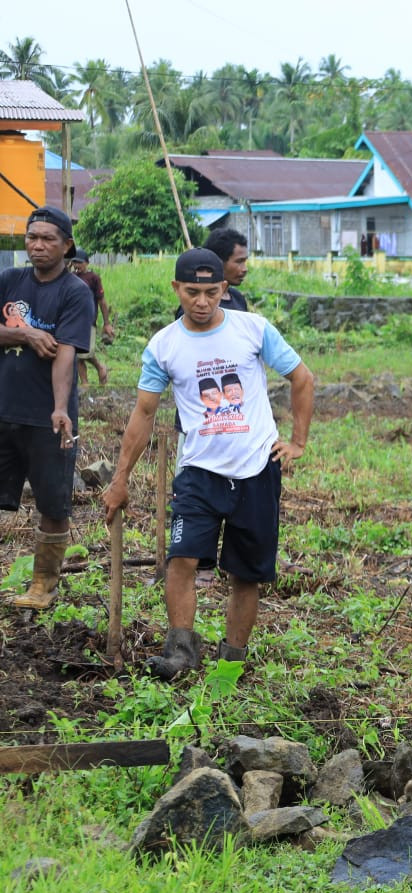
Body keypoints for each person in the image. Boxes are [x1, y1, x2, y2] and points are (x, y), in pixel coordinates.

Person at [103, 248, 316, 676]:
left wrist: (297, 441)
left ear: (225, 288)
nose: (202, 302)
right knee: (181, 560)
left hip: (256, 469)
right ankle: (181, 651)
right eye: (192, 292)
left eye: (212, 291)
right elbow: (143, 415)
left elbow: (302, 377)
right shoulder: (163, 346)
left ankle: (231, 662)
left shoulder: (253, 329)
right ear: (176, 289)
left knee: (246, 573)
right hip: (199, 473)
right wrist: (120, 478)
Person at [0, 206, 95, 610]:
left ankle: (43, 585)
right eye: (32, 237)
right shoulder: (8, 280)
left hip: (46, 418)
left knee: (53, 503)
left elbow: (66, 354)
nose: (37, 246)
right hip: (3, 409)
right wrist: (20, 333)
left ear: (66, 246)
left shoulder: (75, 292)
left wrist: (60, 408)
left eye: (48, 239)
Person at [173, 228, 251, 319]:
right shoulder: (194, 310)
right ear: (218, 261)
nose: (245, 269)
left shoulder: (238, 298)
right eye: (239, 261)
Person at [69, 254, 112, 386]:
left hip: (88, 320)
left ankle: (100, 367)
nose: (77, 265)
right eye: (74, 262)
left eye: (80, 262)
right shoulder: (70, 277)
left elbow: (102, 301)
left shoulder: (93, 278)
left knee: (85, 352)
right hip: (73, 319)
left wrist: (106, 323)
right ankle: (85, 383)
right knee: (76, 354)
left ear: (87, 263)